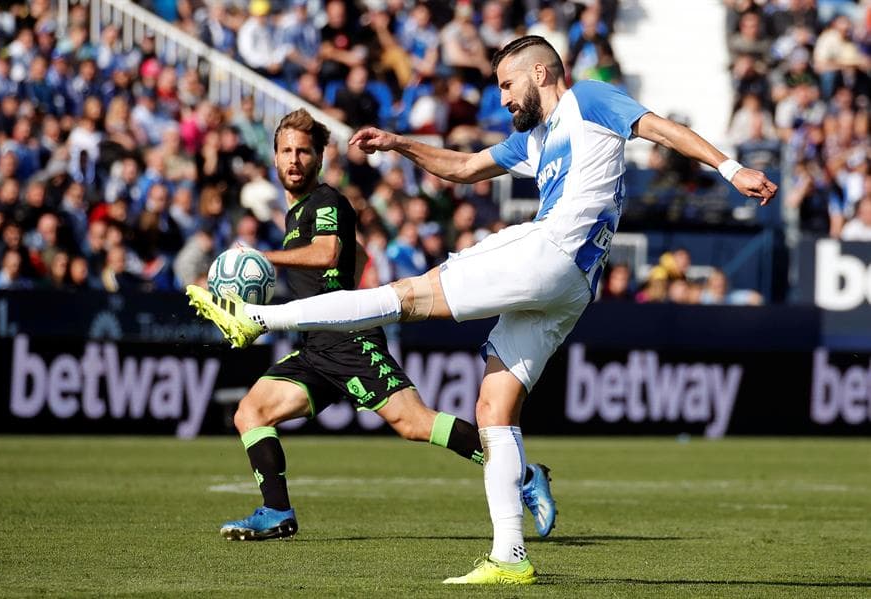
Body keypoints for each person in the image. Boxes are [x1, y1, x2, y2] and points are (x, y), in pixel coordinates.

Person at [188, 36, 778, 583]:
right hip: (573, 286)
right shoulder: (535, 139)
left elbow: (662, 129)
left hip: (550, 250)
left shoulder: (589, 99)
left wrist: (731, 169)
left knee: (408, 297)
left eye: (506, 85)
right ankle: (509, 557)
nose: (502, 98)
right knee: (494, 409)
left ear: (540, 73)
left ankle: (257, 318)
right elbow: (465, 168)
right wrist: (399, 144)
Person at [189, 109, 555, 543]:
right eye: (286, 151)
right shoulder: (295, 213)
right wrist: (345, 283)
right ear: (274, 158)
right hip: (316, 346)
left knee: (415, 424)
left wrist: (261, 258)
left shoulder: (326, 201)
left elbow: (328, 252)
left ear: (319, 158)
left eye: (303, 151)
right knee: (251, 412)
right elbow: (355, 255)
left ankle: (524, 475)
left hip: (349, 340)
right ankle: (276, 511)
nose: (294, 160)